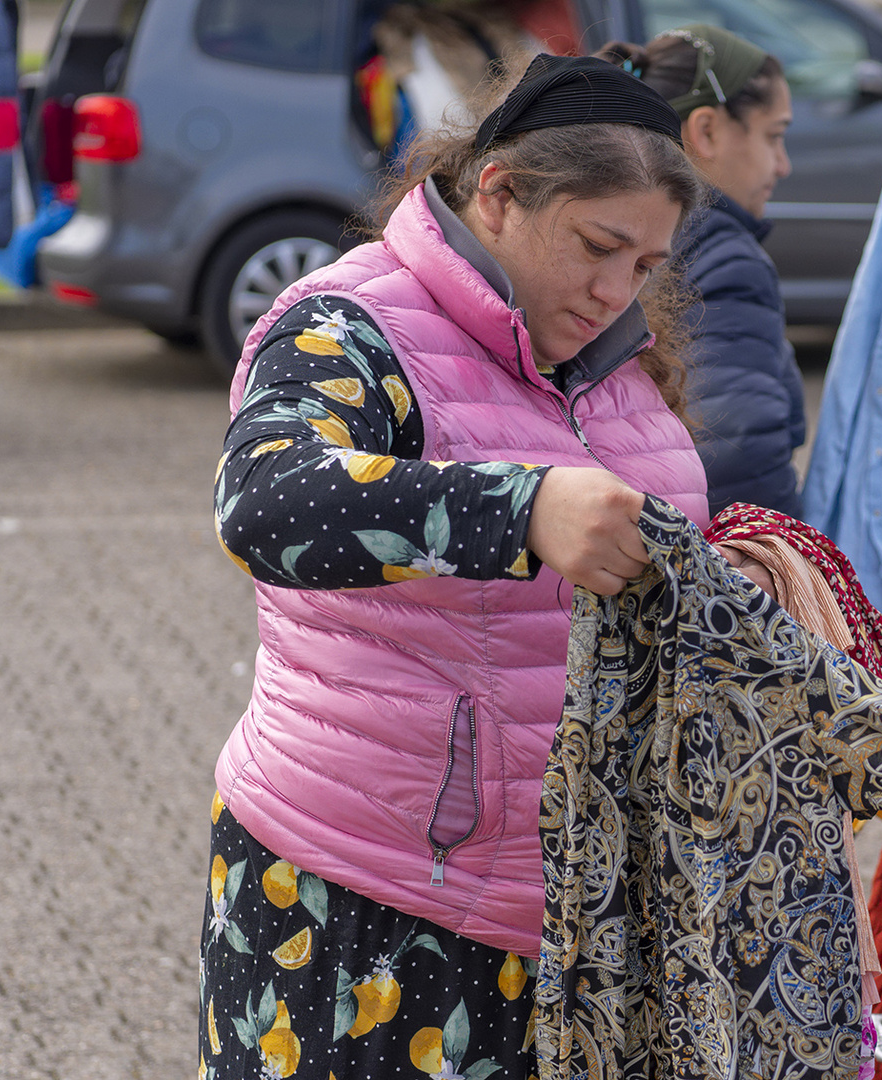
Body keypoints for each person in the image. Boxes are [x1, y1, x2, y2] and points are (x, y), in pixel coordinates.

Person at [199, 53, 710, 1078]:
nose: (617, 290)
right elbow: (266, 501)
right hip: (358, 903)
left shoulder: (615, 365)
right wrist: (522, 507)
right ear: (500, 193)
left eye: (647, 266)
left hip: (565, 914)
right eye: (599, 246)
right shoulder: (348, 326)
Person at [598, 26, 806, 518]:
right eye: (774, 136)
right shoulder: (725, 257)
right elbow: (738, 452)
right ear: (707, 130)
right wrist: (782, 571)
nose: (783, 165)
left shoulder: (609, 232)